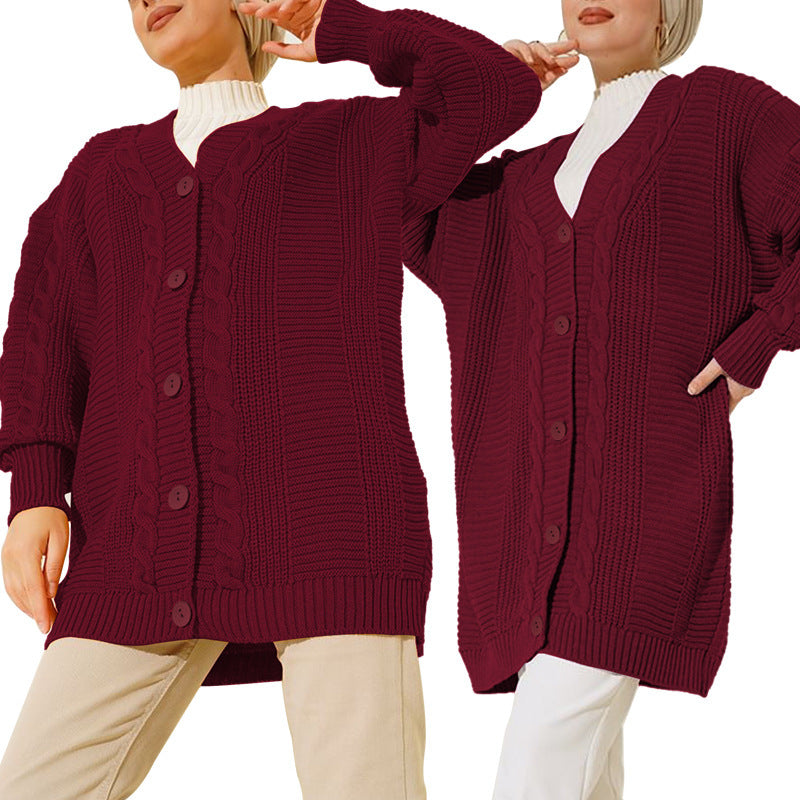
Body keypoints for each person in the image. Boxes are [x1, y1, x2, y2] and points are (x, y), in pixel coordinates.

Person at [0, 0, 554, 797]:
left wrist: (337, 25)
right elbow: (44, 334)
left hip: (336, 543)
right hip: (130, 552)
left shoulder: (352, 141)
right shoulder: (102, 172)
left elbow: (493, 87)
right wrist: (33, 494)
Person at [401, 0, 800, 797]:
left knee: (536, 771)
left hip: (639, 522)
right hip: (526, 545)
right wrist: (491, 93)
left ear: (669, 11)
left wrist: (758, 343)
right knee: (579, 772)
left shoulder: (721, 114)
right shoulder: (517, 181)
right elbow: (398, 202)